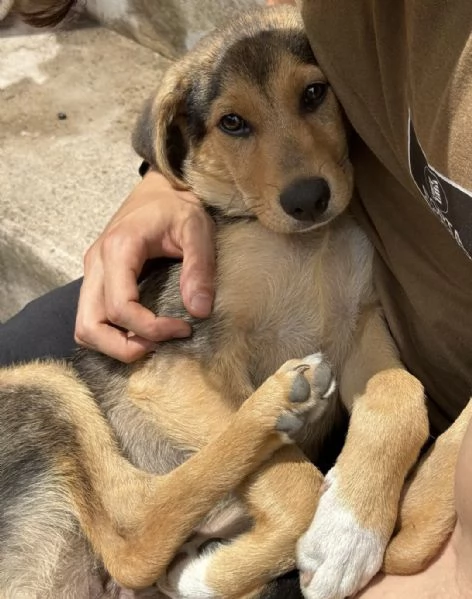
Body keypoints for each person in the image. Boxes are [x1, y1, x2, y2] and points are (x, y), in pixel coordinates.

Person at [2, 0, 472, 597]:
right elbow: (165, 381)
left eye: (312, 97)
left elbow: (360, 344)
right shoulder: (238, 243)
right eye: (235, 125)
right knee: (23, 371)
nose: (296, 166)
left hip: (207, 508)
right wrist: (160, 182)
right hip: (98, 483)